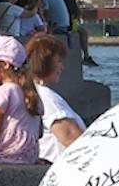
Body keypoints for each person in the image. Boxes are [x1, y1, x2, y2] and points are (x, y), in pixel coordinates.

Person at [0, 34, 44, 165]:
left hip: (4, 157)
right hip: (29, 159)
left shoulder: (2, 92)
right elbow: (39, 133)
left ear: (4, 64)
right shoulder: (33, 94)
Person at [25, 34, 86, 162]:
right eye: (59, 61)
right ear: (45, 62)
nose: (62, 67)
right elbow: (73, 139)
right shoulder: (48, 100)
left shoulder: (32, 91)